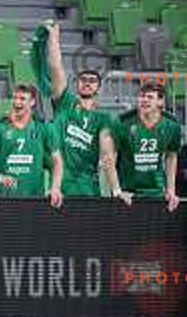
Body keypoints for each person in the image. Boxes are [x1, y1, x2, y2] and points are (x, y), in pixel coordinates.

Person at [46, 23, 122, 200]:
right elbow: (56, 67)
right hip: (60, 189)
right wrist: (54, 38)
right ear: (77, 84)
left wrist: (116, 191)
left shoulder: (103, 119)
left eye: (92, 81)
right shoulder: (65, 103)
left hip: (88, 190)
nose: (87, 82)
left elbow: (107, 155)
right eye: (83, 79)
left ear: (98, 88)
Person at [107, 83, 182, 211]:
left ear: (160, 102)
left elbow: (171, 156)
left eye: (150, 97)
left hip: (156, 193)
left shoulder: (172, 125)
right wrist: (117, 191)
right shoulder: (122, 122)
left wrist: (170, 190)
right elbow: (109, 159)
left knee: (154, 231)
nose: (144, 100)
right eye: (141, 96)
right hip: (128, 194)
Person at [0, 83, 64, 208]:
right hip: (3, 199)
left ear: (32, 102)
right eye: (15, 98)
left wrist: (55, 188)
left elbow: (57, 161)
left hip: (34, 199)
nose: (17, 102)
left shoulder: (44, 128)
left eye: (22, 99)